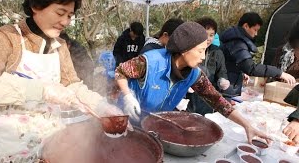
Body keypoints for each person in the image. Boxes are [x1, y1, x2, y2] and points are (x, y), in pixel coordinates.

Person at [0, 0, 123, 162]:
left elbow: (73, 85)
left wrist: (101, 106)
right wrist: (42, 90)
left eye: (70, 15)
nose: (66, 22)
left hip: (51, 147)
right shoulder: (4, 38)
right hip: (8, 149)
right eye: (60, 13)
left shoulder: (60, 46)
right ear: (36, 6)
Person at [115, 22, 270, 144]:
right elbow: (120, 72)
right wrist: (128, 95)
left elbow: (217, 100)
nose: (203, 57)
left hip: (153, 125)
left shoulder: (194, 74)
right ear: (184, 49)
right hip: (127, 121)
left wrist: (247, 126)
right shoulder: (150, 61)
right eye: (200, 50)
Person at [220, 12, 296, 95]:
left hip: (228, 84)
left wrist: (241, 72)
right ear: (246, 26)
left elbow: (232, 62)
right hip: (225, 87)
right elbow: (251, 68)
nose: (256, 34)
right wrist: (279, 73)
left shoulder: (235, 39)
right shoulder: (238, 43)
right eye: (255, 30)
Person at [186, 17, 231, 115]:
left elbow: (222, 72)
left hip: (207, 98)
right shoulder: (188, 50)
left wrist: (223, 80)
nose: (208, 38)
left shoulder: (217, 52)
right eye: (205, 34)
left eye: (211, 35)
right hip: (189, 98)